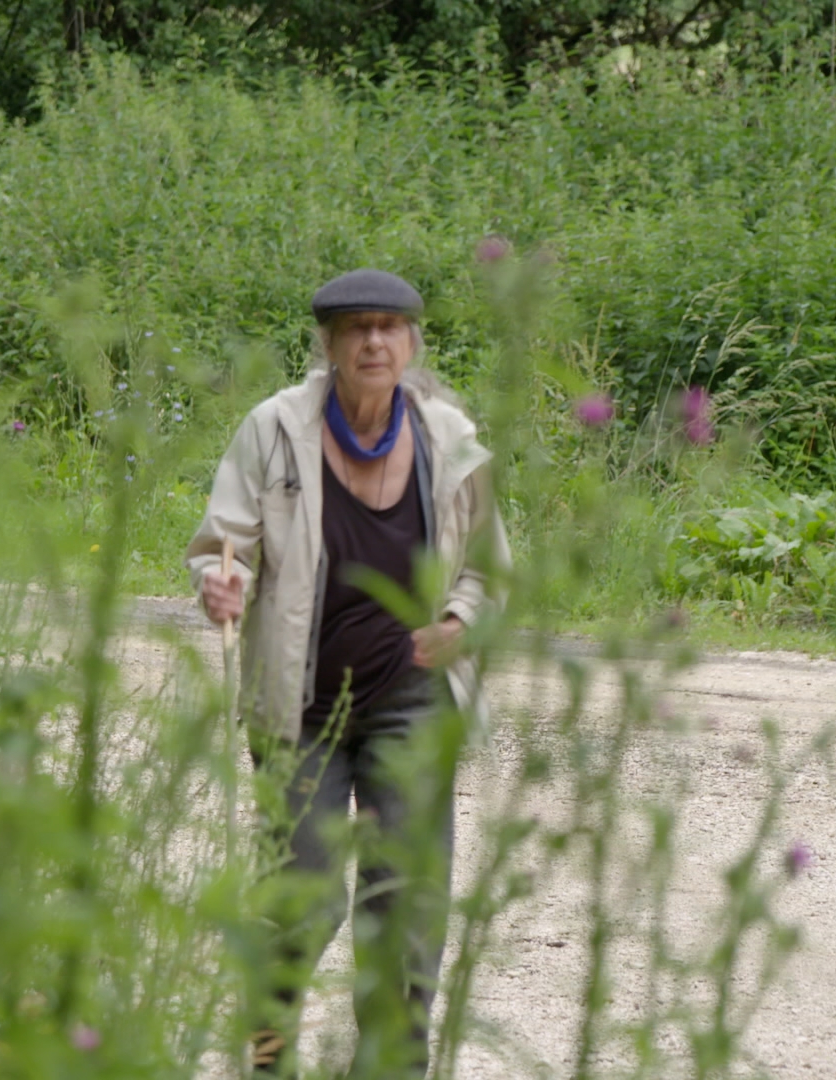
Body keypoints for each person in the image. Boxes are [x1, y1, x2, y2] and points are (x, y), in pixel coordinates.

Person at [187, 268, 509, 1077]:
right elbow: (224, 543)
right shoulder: (273, 429)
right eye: (356, 327)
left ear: (411, 343)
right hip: (299, 706)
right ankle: (270, 1063)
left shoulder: (451, 436)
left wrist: (458, 620)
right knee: (298, 902)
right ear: (328, 344)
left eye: (388, 327)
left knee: (405, 907)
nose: (373, 341)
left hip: (414, 702)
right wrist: (222, 582)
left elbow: (487, 567)